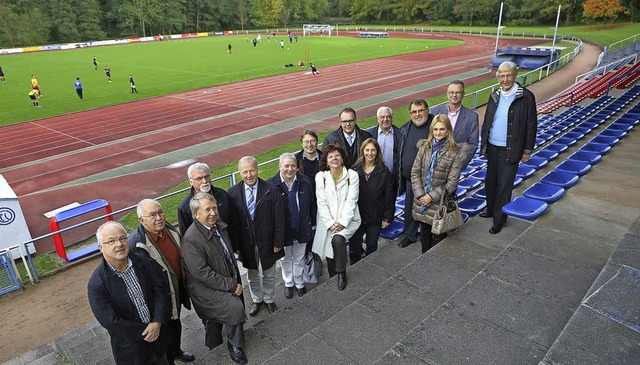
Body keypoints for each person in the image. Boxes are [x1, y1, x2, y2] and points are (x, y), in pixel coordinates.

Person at [88, 221, 172, 365]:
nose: (119, 244)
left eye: (122, 238)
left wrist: (157, 322)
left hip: (159, 337)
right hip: (131, 349)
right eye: (111, 241)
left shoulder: (144, 261)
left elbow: (160, 290)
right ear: (101, 248)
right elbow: (110, 321)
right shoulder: (97, 285)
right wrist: (146, 330)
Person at [181, 193, 248, 364]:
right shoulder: (191, 239)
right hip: (205, 289)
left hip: (222, 280)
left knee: (215, 318)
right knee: (234, 307)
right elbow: (201, 273)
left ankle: (213, 343)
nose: (213, 213)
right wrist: (231, 284)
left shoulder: (218, 225)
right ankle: (235, 345)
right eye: (207, 210)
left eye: (214, 208)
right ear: (196, 215)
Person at [128, 199, 196, 363]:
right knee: (163, 332)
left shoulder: (169, 229)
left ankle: (176, 351)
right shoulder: (136, 244)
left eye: (160, 212)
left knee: (175, 323)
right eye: (152, 215)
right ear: (141, 220)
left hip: (176, 290)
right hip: (156, 299)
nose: (158, 217)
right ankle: (168, 360)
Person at [480, 61, 537, 234]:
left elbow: (531, 125)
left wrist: (527, 150)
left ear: (515, 75)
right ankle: (490, 209)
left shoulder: (526, 96)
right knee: (491, 182)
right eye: (502, 75)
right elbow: (488, 121)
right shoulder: (494, 95)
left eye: (508, 75)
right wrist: (484, 145)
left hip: (511, 149)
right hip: (492, 146)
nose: (505, 79)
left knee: (504, 186)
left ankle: (499, 219)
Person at [227, 156, 285, 316]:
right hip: (247, 244)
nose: (249, 175)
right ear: (239, 173)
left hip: (267, 241)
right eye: (245, 172)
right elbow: (233, 223)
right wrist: (236, 245)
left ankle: (269, 299)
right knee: (252, 275)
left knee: (269, 273)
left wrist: (278, 241)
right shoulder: (232, 193)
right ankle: (257, 300)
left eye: (252, 170)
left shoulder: (271, 189)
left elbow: (279, 218)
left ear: (257, 169)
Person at [411, 115, 469, 253]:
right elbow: (415, 172)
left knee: (438, 238)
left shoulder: (455, 153)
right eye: (435, 129)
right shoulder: (424, 147)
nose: (438, 132)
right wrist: (421, 195)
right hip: (422, 201)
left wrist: (431, 196)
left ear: (448, 130)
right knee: (424, 235)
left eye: (442, 129)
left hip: (439, 203)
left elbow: (452, 183)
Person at [267, 153, 316, 298]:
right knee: (285, 259)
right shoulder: (271, 185)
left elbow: (312, 206)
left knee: (300, 257)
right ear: (279, 167)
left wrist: (312, 226)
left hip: (301, 228)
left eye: (293, 165)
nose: (290, 169)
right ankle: (288, 283)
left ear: (297, 167)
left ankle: (299, 283)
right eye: (286, 166)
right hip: (283, 231)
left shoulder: (305, 182)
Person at [312, 144, 361, 291]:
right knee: (329, 248)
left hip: (348, 218)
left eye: (337, 155)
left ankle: (341, 273)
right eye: (331, 156)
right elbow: (321, 202)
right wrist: (330, 223)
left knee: (337, 240)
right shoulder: (320, 177)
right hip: (327, 220)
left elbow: (351, 200)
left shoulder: (352, 175)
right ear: (326, 161)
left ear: (342, 158)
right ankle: (333, 275)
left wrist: (341, 223)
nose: (334, 158)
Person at [350, 138, 394, 264]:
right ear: (363, 151)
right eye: (367, 150)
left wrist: (387, 217)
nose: (370, 153)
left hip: (375, 216)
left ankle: (369, 271)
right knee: (354, 248)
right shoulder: (354, 170)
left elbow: (389, 196)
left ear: (377, 152)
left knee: (372, 247)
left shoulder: (383, 171)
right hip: (357, 216)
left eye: (373, 150)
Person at [397, 99, 434, 248]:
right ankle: (410, 235)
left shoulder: (436, 126)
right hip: (410, 179)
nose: (417, 114)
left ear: (427, 110)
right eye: (414, 111)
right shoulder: (405, 128)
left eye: (420, 110)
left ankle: (434, 234)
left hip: (430, 179)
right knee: (410, 209)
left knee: (430, 208)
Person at [178, 162, 236, 239]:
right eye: (199, 179)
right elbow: (186, 237)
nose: (205, 181)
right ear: (191, 182)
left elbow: (234, 221)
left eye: (206, 176)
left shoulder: (223, 194)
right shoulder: (184, 208)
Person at [430, 80, 479, 170]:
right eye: (452, 92)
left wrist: (458, 165)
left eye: (458, 92)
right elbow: (428, 137)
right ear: (447, 94)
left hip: (455, 169)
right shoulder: (434, 112)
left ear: (463, 94)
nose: (454, 95)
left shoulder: (472, 117)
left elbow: (473, 145)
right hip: (434, 165)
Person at [366, 106, 401, 195]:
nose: (385, 119)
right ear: (378, 119)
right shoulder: (369, 135)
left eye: (388, 116)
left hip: (393, 180)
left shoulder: (400, 134)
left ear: (391, 118)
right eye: (382, 117)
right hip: (375, 179)